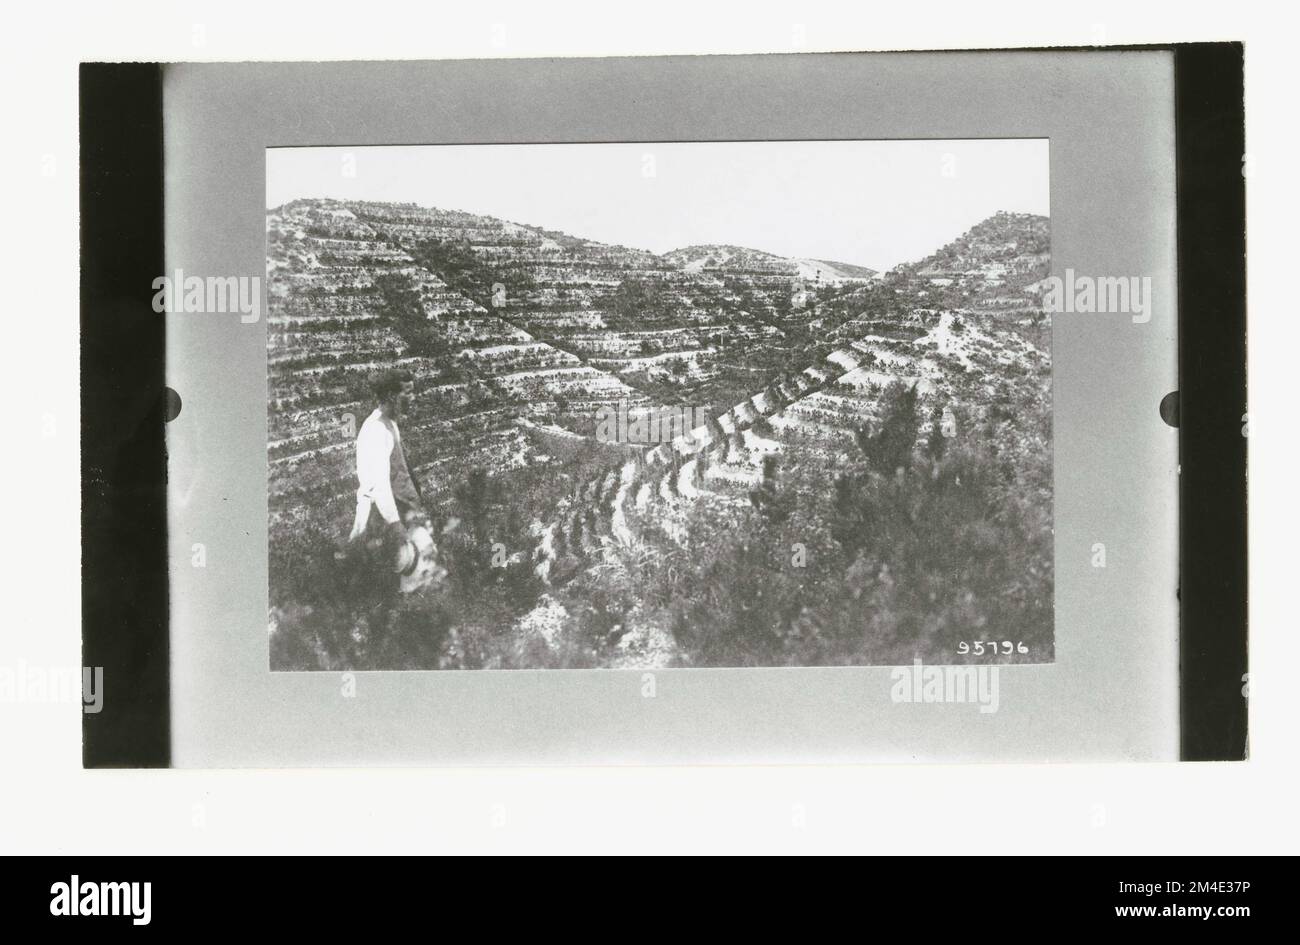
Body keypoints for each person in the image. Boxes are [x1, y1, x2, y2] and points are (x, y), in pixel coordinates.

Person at [348, 370, 441, 592]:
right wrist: (395, 525)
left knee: (422, 574)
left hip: (399, 515)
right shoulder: (377, 430)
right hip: (384, 520)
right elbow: (379, 486)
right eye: (407, 393)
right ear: (391, 396)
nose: (413, 398)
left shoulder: (389, 424)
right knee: (403, 581)